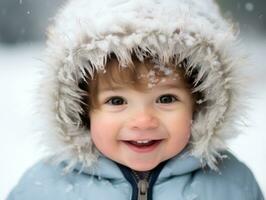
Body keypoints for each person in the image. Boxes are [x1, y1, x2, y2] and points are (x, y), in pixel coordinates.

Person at [7, 0, 264, 199]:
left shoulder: (232, 185)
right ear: (83, 109)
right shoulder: (44, 189)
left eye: (165, 98)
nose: (143, 120)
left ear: (201, 102)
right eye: (117, 101)